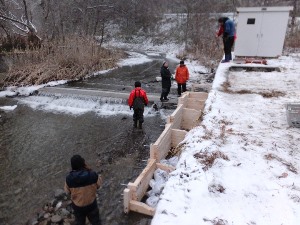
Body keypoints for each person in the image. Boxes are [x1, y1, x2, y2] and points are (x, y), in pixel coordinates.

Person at [64, 155, 102, 225]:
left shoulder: (68, 178)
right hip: (91, 204)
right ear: (83, 163)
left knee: (80, 222)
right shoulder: (93, 174)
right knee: (96, 222)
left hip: (78, 206)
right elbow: (99, 185)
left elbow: (67, 191)